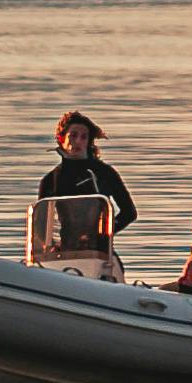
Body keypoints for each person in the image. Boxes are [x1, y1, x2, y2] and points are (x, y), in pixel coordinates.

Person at [31, 111, 136, 279]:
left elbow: (129, 213)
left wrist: (104, 234)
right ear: (61, 138)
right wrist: (48, 245)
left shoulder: (103, 173)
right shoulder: (50, 180)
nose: (78, 141)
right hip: (65, 251)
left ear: (89, 142)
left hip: (99, 252)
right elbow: (40, 225)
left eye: (84, 137)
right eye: (73, 136)